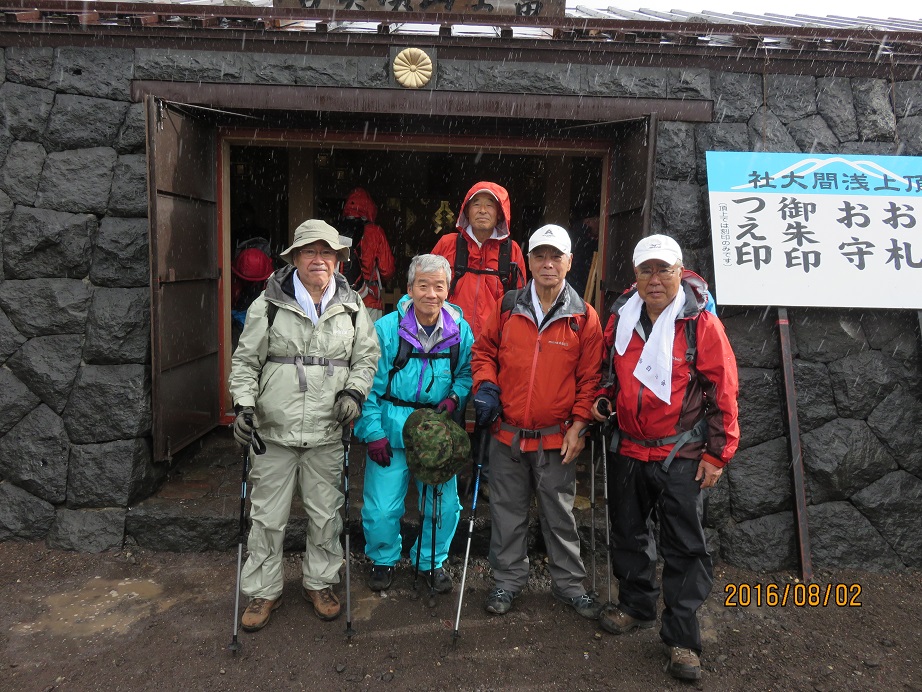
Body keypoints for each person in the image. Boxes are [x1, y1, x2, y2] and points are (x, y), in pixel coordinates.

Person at [591, 234, 739, 682]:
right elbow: (606, 375)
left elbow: (724, 391)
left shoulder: (701, 324)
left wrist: (718, 454)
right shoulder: (621, 317)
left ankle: (682, 639)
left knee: (684, 546)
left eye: (664, 270)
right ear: (634, 276)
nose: (654, 280)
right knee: (628, 534)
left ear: (680, 271)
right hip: (629, 446)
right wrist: (601, 400)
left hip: (682, 451)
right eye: (646, 270)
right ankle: (636, 605)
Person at [228, 219, 380, 631]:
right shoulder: (270, 303)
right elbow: (244, 362)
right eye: (310, 252)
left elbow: (366, 358)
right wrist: (243, 406)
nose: (319, 260)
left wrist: (354, 394)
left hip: (327, 431)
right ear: (294, 258)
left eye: (326, 253)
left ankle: (321, 582)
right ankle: (263, 590)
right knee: (266, 517)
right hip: (272, 431)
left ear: (338, 260)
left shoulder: (352, 306)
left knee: (326, 515)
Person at [470, 224, 603, 620]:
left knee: (560, 516)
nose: (548, 263)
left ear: (569, 262)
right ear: (527, 261)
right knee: (506, 514)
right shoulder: (508, 306)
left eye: (555, 256)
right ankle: (507, 582)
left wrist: (580, 426)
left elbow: (590, 379)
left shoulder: (584, 317)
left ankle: (569, 586)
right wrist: (486, 386)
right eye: (540, 256)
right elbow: (483, 352)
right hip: (506, 434)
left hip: (556, 439)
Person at [354, 254, 474, 593]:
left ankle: (429, 562)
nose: (431, 294)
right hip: (392, 427)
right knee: (381, 506)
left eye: (439, 286)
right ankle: (383, 559)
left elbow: (465, 375)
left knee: (445, 505)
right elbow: (368, 385)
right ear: (410, 288)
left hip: (436, 430)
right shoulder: (386, 330)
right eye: (423, 285)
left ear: (448, 291)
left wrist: (454, 398)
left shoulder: (460, 331)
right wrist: (373, 433)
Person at [431, 182, 526, 340]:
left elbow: (521, 301)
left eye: (490, 205)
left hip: (493, 342)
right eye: (476, 204)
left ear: (500, 213)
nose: (482, 210)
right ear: (466, 211)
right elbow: (427, 288)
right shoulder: (447, 244)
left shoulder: (511, 250)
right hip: (447, 339)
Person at [339, 188, 397, 322]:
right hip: (369, 298)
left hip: (341, 297)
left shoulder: (339, 231)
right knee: (369, 341)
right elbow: (387, 269)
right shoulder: (375, 232)